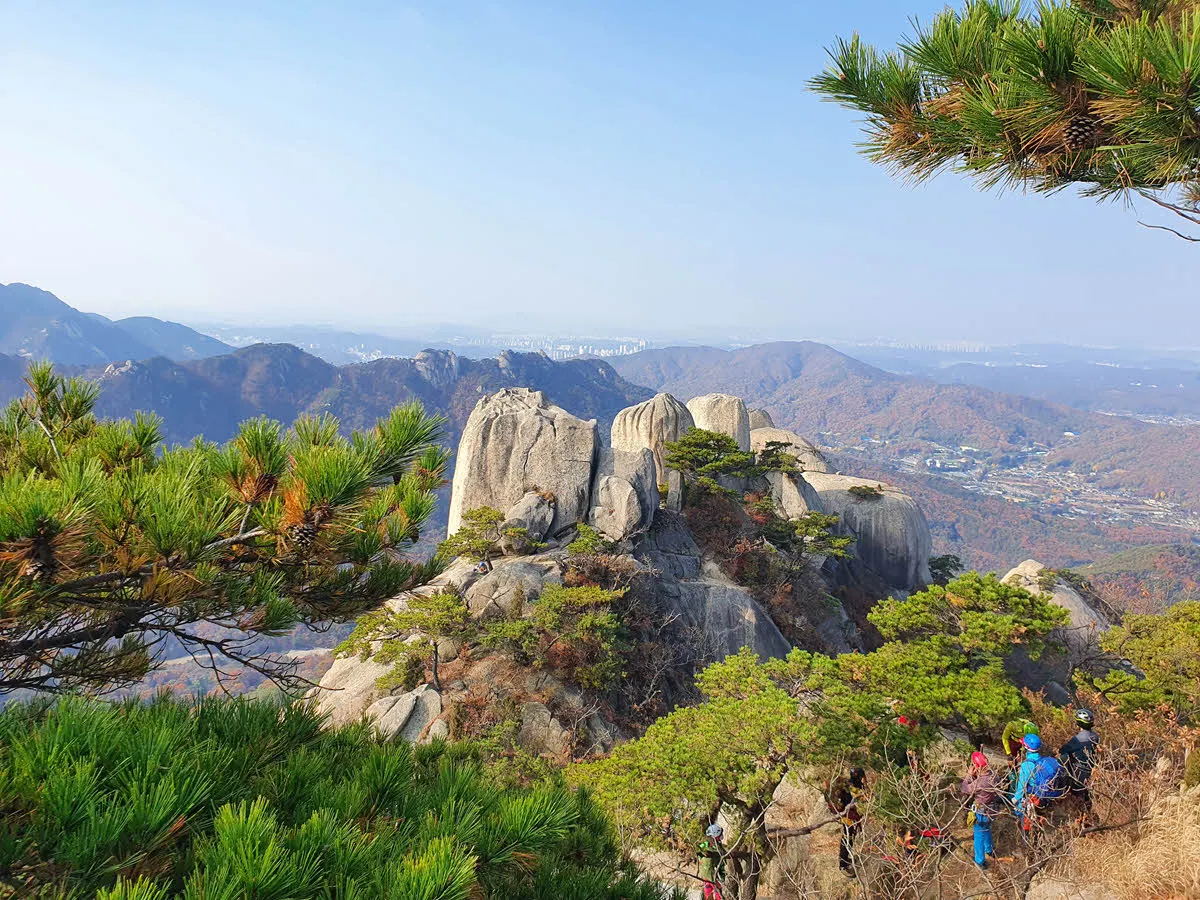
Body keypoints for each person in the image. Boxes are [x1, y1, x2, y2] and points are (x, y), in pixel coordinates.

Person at [961, 751, 1003, 868]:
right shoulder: (994, 775)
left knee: (978, 834)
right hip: (993, 810)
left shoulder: (980, 782)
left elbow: (965, 789)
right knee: (987, 828)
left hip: (981, 811)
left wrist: (969, 776)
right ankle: (989, 850)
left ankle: (980, 860)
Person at [1059, 708, 1100, 813]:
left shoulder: (1077, 739)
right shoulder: (1095, 736)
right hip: (1092, 768)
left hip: (1079, 770)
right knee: (1087, 795)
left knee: (1077, 793)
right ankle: (1088, 811)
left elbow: (1063, 750)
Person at [828, 767, 866, 874]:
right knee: (847, 839)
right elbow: (852, 803)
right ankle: (843, 865)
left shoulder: (853, 785)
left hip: (850, 817)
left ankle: (845, 859)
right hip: (849, 817)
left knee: (850, 838)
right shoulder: (851, 787)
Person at [1012, 733, 1042, 833]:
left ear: (1026, 747)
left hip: (1030, 798)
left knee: (1025, 826)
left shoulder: (1027, 765)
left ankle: (1027, 846)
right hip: (1040, 797)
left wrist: (1015, 799)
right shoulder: (1041, 760)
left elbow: (1022, 786)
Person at [696, 824, 726, 900]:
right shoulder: (707, 845)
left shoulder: (718, 846)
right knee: (716, 894)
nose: (721, 836)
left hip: (707, 876)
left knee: (710, 893)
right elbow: (698, 849)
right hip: (713, 876)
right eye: (720, 834)